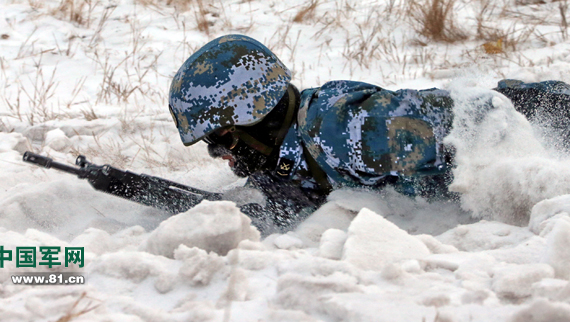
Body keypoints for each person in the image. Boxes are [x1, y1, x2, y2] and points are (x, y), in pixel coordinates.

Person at [167, 34, 570, 230]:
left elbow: (484, 114)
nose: (219, 155)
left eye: (218, 138)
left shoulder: (343, 131)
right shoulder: (292, 154)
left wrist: (510, 191)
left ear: (253, 116)